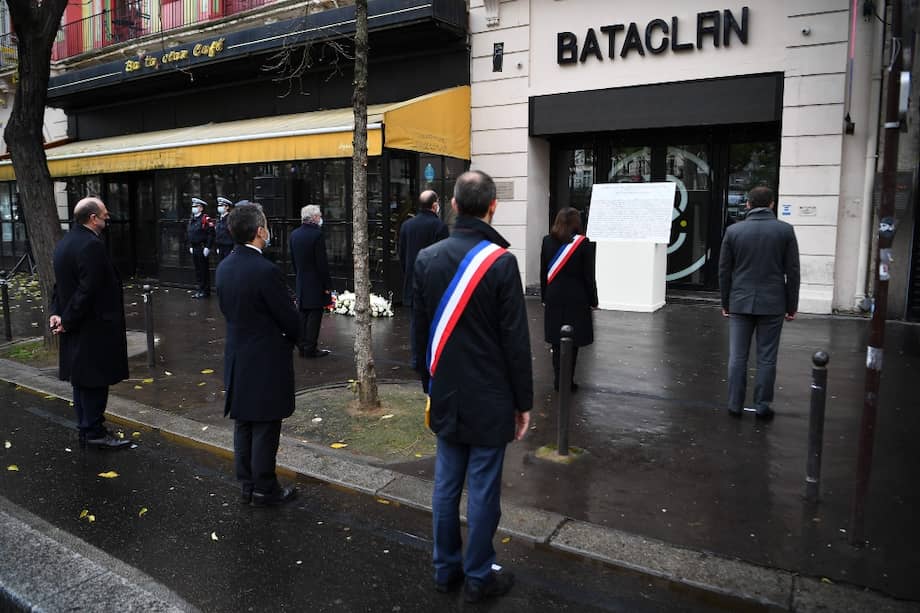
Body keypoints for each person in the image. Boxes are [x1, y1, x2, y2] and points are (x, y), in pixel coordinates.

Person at [412, 170, 532, 604]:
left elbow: (419, 333)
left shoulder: (427, 259)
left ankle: (445, 570)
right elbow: (516, 344)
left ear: (454, 206)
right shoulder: (501, 263)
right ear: (493, 207)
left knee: (446, 486)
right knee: (482, 489)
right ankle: (479, 575)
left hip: (446, 391)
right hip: (491, 397)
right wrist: (523, 403)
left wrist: (428, 383)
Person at [216, 203, 301, 506]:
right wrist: (295, 333)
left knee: (244, 424)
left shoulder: (224, 266)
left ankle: (247, 484)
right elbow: (289, 319)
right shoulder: (266, 270)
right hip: (266, 358)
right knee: (265, 425)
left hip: (238, 357)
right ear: (260, 231)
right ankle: (266, 488)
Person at [49, 197, 131, 450]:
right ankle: (94, 431)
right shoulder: (90, 245)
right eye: (104, 213)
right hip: (93, 326)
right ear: (92, 218)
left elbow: (60, 285)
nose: (108, 217)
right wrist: (68, 319)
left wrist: (57, 314)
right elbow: (87, 289)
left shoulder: (66, 242)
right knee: (94, 381)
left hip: (77, 324)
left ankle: (87, 427)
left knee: (81, 380)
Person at [718, 186, 800, 420]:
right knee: (766, 357)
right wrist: (791, 305)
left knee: (737, 356)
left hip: (740, 302)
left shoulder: (733, 232)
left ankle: (734, 405)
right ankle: (762, 406)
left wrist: (726, 303)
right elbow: (792, 272)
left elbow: (724, 271)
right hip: (773, 302)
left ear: (748, 204)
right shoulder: (785, 231)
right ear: (772, 204)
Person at [540, 207, 598, 392]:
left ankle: (558, 380)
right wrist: (593, 300)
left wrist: (544, 297)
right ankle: (568, 381)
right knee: (572, 343)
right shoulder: (584, 243)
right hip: (577, 298)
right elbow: (589, 276)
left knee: (557, 342)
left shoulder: (547, 241)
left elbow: (543, 273)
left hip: (554, 296)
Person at [399, 190, 449, 372]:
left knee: (416, 323)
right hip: (434, 284)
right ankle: (433, 359)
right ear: (435, 205)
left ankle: (417, 359)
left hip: (413, 282)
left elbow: (402, 255)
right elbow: (444, 259)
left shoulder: (406, 226)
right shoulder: (440, 227)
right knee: (434, 323)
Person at [289, 204, 332, 358]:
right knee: (314, 315)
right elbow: (322, 263)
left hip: (302, 280)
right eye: (319, 216)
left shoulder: (294, 234)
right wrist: (327, 285)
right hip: (315, 282)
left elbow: (293, 260)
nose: (321, 218)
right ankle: (310, 347)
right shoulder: (317, 234)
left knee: (303, 314)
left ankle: (302, 345)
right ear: (314, 218)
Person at [187, 197, 215, 299]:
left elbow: (211, 234)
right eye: (193, 206)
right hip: (194, 248)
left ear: (201, 208)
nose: (193, 208)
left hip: (202, 247)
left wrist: (208, 247)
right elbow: (190, 233)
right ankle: (199, 289)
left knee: (203, 270)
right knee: (198, 270)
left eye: (196, 206)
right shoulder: (192, 219)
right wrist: (190, 245)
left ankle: (205, 291)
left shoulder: (205, 219)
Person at [214, 197, 235, 262]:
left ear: (227, 207)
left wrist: (234, 248)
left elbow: (234, 234)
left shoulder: (230, 218)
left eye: (221, 205)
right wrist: (217, 246)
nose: (219, 207)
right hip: (220, 246)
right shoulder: (219, 218)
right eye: (219, 205)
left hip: (228, 247)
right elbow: (217, 233)